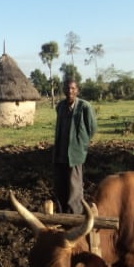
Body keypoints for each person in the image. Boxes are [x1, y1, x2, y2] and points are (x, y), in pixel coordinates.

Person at [53, 78, 97, 214]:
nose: (69, 91)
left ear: (77, 90)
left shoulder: (84, 107)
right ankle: (62, 214)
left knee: (74, 186)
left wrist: (82, 144)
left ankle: (75, 216)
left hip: (75, 154)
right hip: (60, 153)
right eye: (67, 88)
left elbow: (92, 128)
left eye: (72, 88)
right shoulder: (60, 106)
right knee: (60, 185)